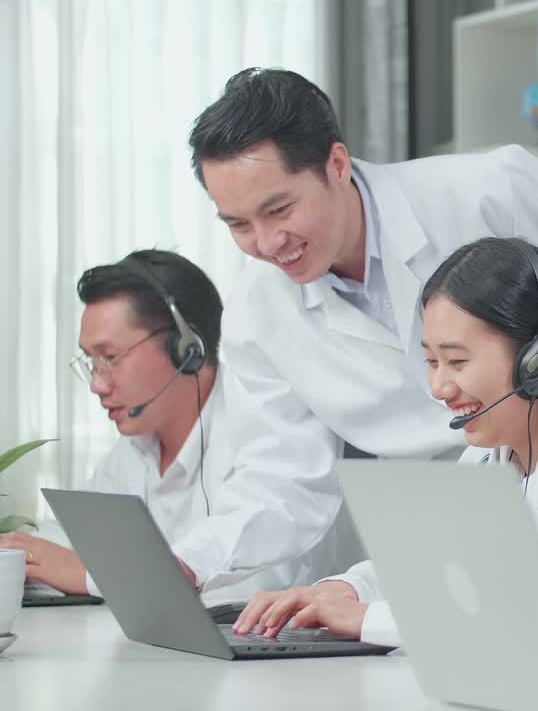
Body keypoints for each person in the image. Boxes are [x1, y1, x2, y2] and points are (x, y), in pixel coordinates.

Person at [175, 67, 538, 590]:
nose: (267, 244)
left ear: (336, 164)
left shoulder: (491, 192)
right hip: (440, 520)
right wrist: (190, 561)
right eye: (239, 225)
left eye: (279, 209)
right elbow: (282, 478)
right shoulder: (256, 309)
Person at [230, 238, 538, 647]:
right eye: (431, 362)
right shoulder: (491, 458)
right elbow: (429, 567)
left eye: (457, 361)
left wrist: (367, 620)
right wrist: (346, 590)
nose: (439, 388)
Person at [0, 250, 340, 602]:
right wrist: (16, 553)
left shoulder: (268, 429)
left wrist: (92, 575)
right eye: (91, 362)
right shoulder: (135, 449)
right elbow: (72, 542)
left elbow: (253, 582)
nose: (97, 385)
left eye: (110, 358)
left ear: (186, 348)